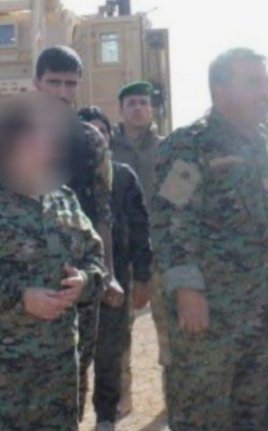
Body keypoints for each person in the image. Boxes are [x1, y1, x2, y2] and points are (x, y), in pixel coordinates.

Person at [151, 47, 268, 430]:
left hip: (263, 312)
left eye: (266, 82)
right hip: (210, 318)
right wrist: (187, 289)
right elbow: (171, 218)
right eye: (254, 83)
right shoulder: (189, 145)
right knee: (203, 414)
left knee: (258, 412)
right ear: (220, 91)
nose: (265, 92)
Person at [0, 94, 106, 431]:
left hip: (58, 373)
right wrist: (19, 297)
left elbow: (95, 258)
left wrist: (85, 281)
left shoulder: (64, 200)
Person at [32, 46, 124, 421]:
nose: (62, 91)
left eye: (70, 84)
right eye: (54, 82)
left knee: (73, 378)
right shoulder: (5, 132)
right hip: (20, 277)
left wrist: (108, 273)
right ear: (37, 82)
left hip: (76, 280)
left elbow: (103, 213)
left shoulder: (90, 141)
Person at [79, 106, 153, 431]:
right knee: (72, 357)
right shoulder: (62, 176)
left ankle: (106, 417)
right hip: (74, 282)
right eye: (89, 130)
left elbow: (140, 229)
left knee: (110, 354)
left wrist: (143, 276)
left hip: (115, 280)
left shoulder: (123, 177)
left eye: (103, 130)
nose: (97, 136)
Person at [110, 80, 164, 417]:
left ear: (152, 109)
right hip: (123, 255)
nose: (139, 109)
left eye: (144, 103)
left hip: (162, 254)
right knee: (119, 334)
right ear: (121, 110)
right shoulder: (106, 149)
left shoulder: (168, 148)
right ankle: (121, 399)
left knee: (171, 331)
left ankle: (175, 399)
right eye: (131, 103)